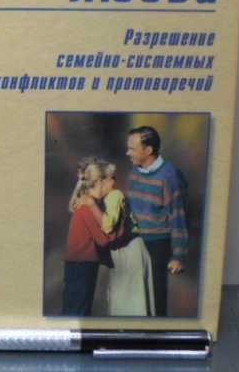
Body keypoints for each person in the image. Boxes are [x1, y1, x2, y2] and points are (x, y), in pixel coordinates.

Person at [125, 126, 188, 317]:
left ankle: (157, 330)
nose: (127, 153)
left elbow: (178, 217)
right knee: (136, 295)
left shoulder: (169, 177)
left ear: (148, 150)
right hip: (135, 242)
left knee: (156, 296)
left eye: (132, 149)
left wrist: (178, 256)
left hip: (157, 245)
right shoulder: (134, 172)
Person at [79, 160, 155, 316]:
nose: (114, 181)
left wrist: (91, 204)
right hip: (126, 252)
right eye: (111, 178)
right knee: (124, 304)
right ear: (100, 181)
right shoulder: (104, 198)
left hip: (130, 252)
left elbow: (107, 226)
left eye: (114, 177)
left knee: (131, 306)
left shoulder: (115, 195)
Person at [61, 162, 112, 316]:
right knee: (79, 310)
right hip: (83, 265)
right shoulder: (87, 208)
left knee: (72, 307)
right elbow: (102, 240)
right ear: (98, 183)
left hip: (76, 265)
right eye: (105, 183)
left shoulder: (82, 204)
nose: (107, 188)